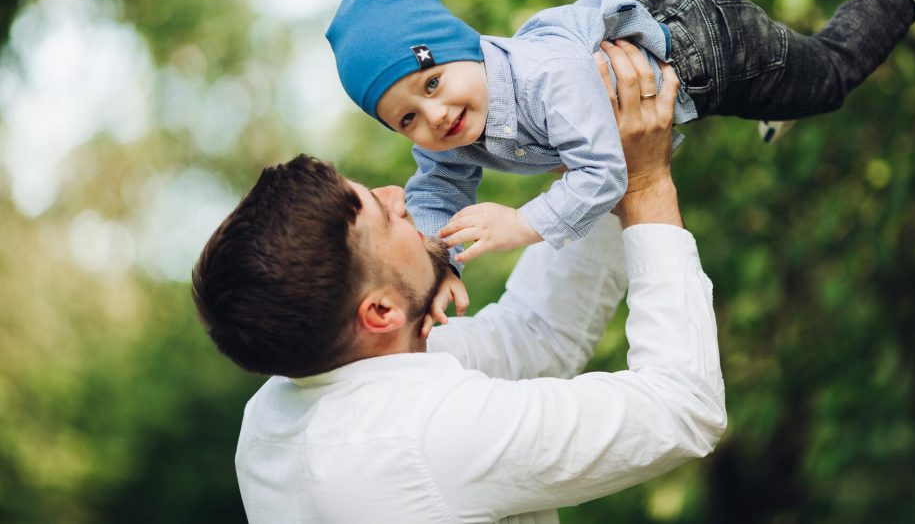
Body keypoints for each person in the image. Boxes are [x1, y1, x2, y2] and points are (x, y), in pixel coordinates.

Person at [191, 43, 726, 523]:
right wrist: (647, 183)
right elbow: (680, 407)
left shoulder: (275, 413)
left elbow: (535, 335)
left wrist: (594, 174)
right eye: (383, 215)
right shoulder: (430, 435)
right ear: (380, 314)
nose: (399, 195)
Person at [325, 0, 915, 308]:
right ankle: (769, 99)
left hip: (705, 46)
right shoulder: (449, 133)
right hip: (655, 27)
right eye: (407, 118)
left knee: (824, 77)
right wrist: (438, 265)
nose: (435, 116)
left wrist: (520, 222)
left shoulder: (547, 76)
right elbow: (434, 192)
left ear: (463, 45)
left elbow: (604, 175)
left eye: (434, 83)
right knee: (776, 89)